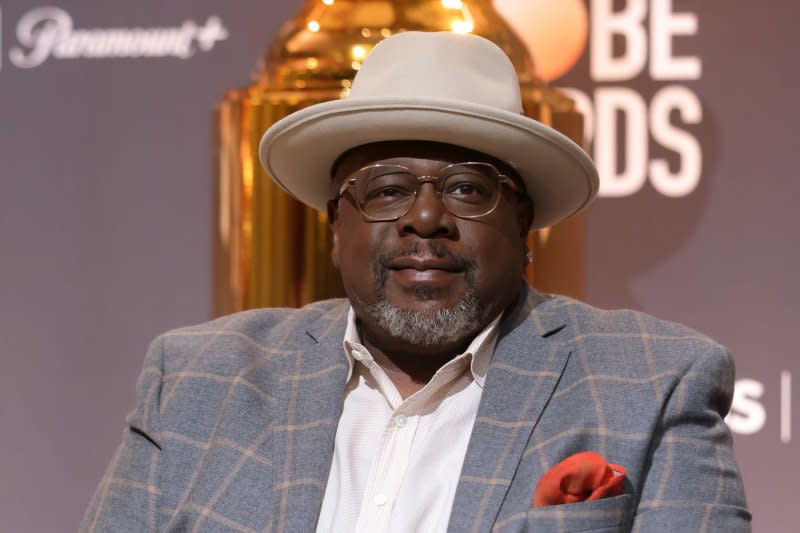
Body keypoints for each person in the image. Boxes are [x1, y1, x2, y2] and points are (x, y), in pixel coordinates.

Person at [82, 32, 750, 532]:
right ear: (335, 225)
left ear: (524, 225)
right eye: (387, 189)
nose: (425, 218)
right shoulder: (198, 380)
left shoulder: (654, 383)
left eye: (466, 188)